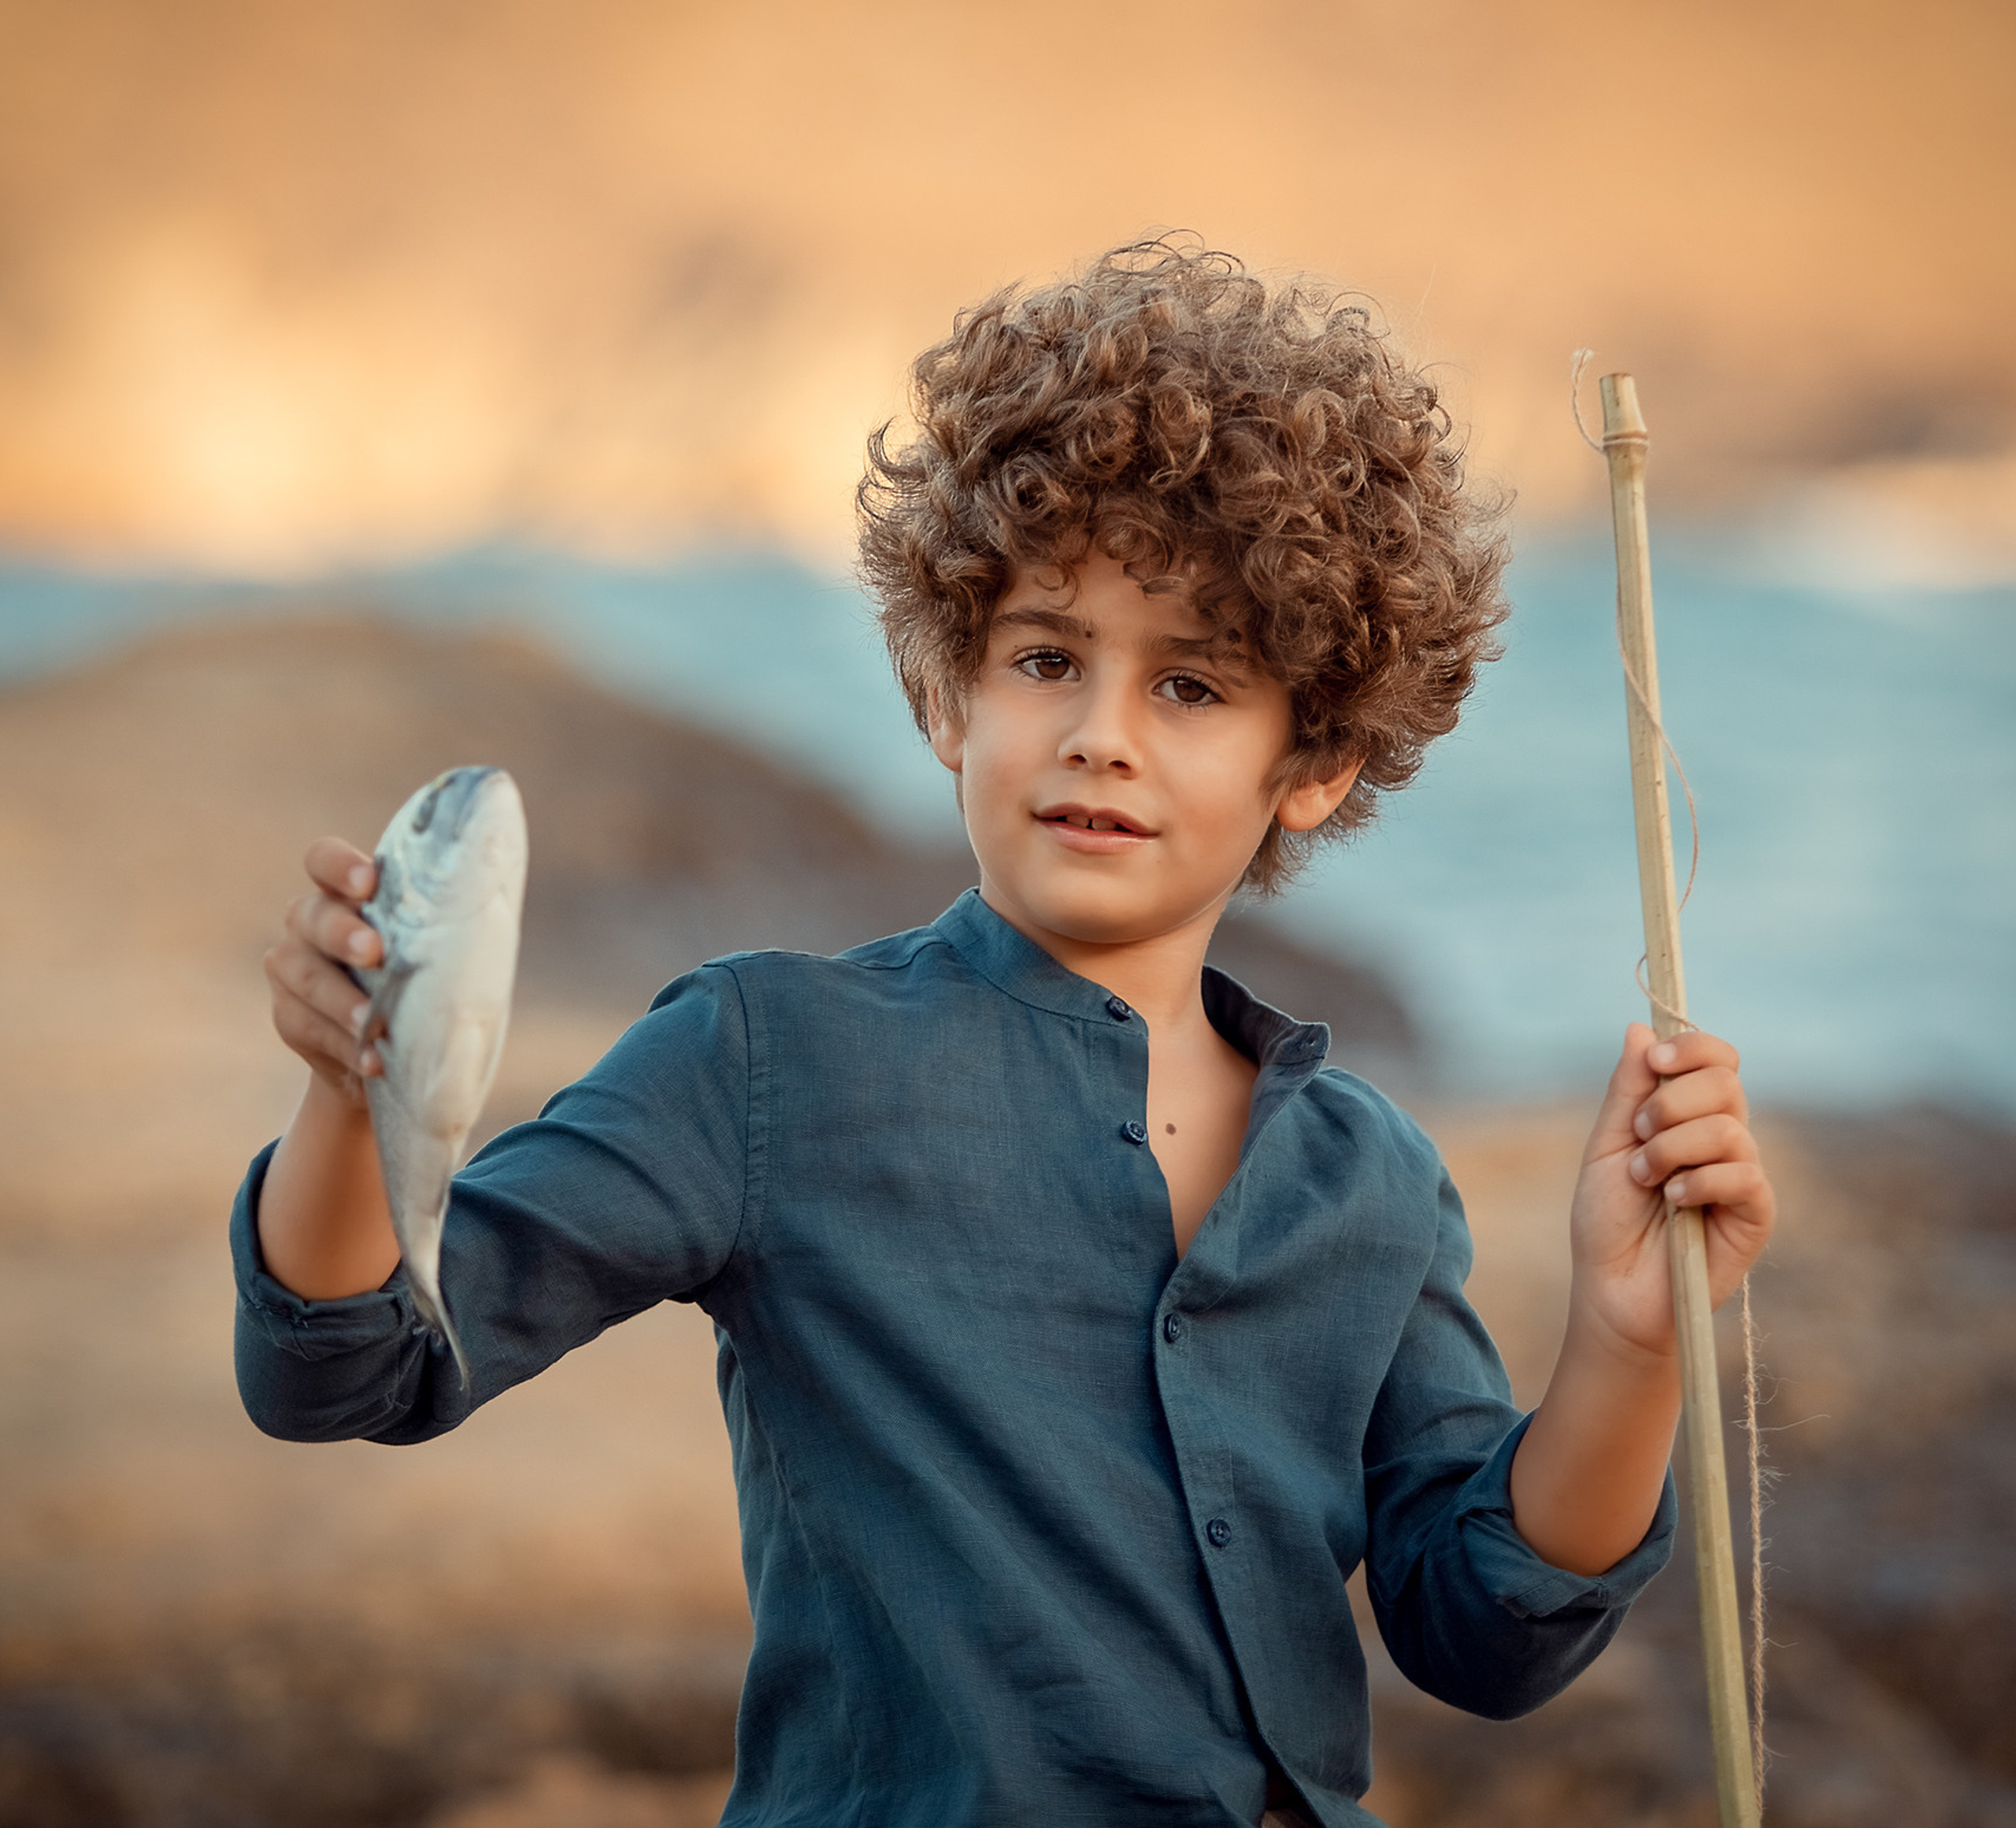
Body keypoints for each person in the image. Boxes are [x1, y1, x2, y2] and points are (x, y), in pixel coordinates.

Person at [239, 241, 1775, 1827]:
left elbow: (1484, 1635)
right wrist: (353, 1092)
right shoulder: (765, 1058)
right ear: (946, 694)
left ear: (1310, 759)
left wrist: (1627, 1337)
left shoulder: (1364, 1171)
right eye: (1045, 656)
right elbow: (353, 1369)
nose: (1098, 731)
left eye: (1189, 685)